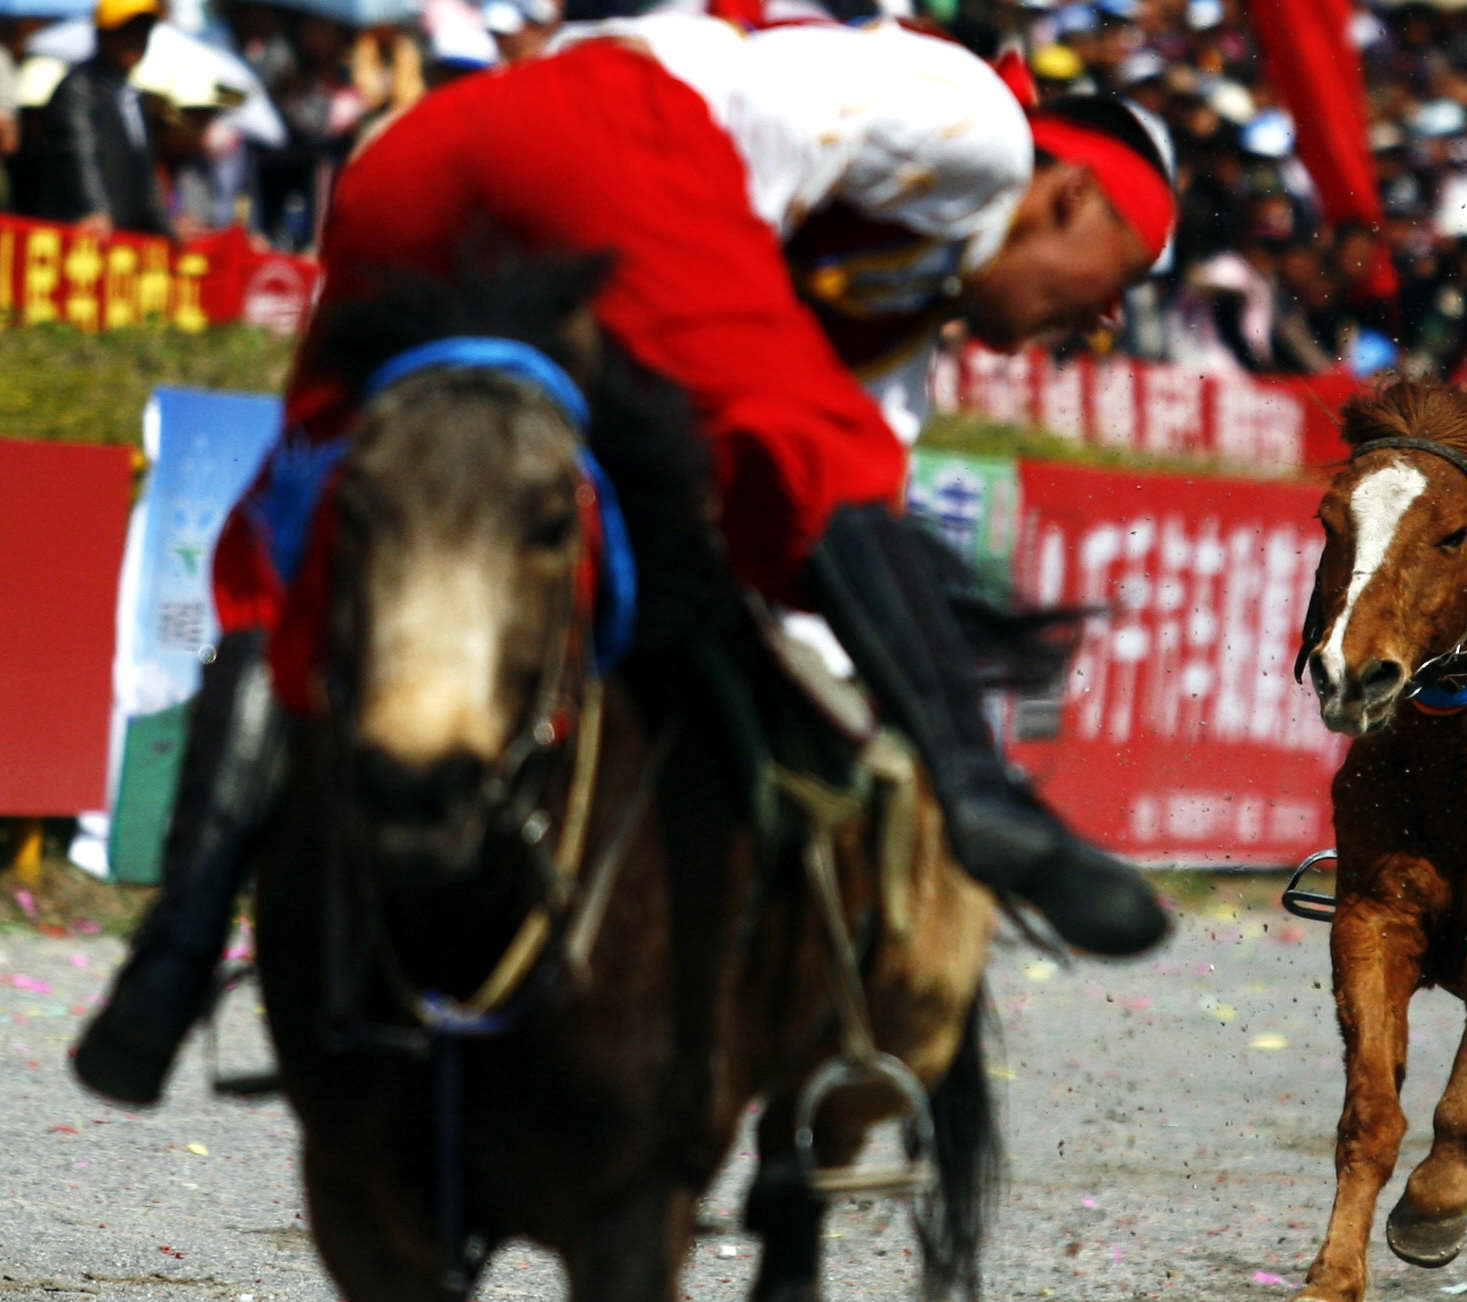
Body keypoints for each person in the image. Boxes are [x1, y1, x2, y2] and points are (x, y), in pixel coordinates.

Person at [73, 11, 1175, 1106]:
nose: (1104, 323)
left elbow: (822, 538)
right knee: (798, 443)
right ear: (1069, 198)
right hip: (584, 141)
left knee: (300, 536)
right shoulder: (972, 121)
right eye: (1117, 277)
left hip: (406, 185)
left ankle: (170, 958)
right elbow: (729, 136)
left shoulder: (898, 331)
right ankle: (984, 798)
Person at [12, 0, 166, 236]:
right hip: (84, 234)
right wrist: (94, 209)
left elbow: (144, 175)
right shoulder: (79, 87)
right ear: (102, 34)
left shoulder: (134, 95)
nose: (136, 39)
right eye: (126, 30)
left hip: (125, 238)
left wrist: (166, 226)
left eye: (143, 31)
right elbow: (79, 152)